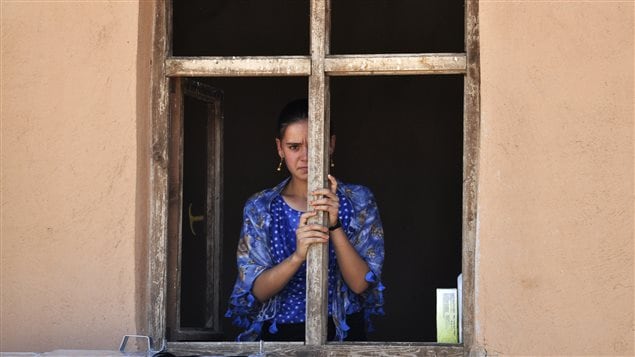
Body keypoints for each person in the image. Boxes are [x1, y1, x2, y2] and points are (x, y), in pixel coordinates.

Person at [225, 99, 385, 341]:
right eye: (294, 146)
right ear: (280, 148)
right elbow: (256, 289)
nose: (305, 156)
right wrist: (298, 256)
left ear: (331, 144)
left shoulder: (359, 200)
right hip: (281, 336)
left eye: (315, 145)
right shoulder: (261, 207)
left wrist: (335, 225)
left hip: (343, 335)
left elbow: (362, 284)